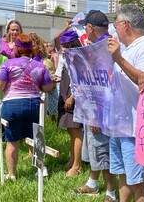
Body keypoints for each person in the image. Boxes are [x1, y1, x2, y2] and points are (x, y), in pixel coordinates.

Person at [107, 4, 144, 202]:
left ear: (125, 25)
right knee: (123, 176)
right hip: (120, 126)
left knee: (137, 182)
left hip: (136, 128)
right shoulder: (127, 49)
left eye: (116, 24)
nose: (114, 29)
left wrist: (118, 59)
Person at [0, 33, 54, 180]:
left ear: (18, 48)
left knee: (12, 141)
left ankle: (12, 174)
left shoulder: (7, 64)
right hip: (33, 104)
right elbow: (48, 87)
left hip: (12, 104)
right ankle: (40, 170)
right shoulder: (40, 66)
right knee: (35, 138)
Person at [74, 10, 117, 202]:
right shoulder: (106, 44)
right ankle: (92, 182)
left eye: (86, 27)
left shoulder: (104, 48)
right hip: (95, 107)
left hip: (101, 110)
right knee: (93, 147)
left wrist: (95, 115)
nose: (84, 30)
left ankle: (111, 192)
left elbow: (102, 87)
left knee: (102, 149)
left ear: (90, 28)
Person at [57, 28, 83, 177]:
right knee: (70, 130)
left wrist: (72, 96)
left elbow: (80, 80)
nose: (62, 48)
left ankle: (77, 165)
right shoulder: (66, 56)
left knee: (75, 131)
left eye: (65, 45)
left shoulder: (78, 57)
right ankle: (72, 159)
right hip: (64, 92)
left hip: (73, 96)